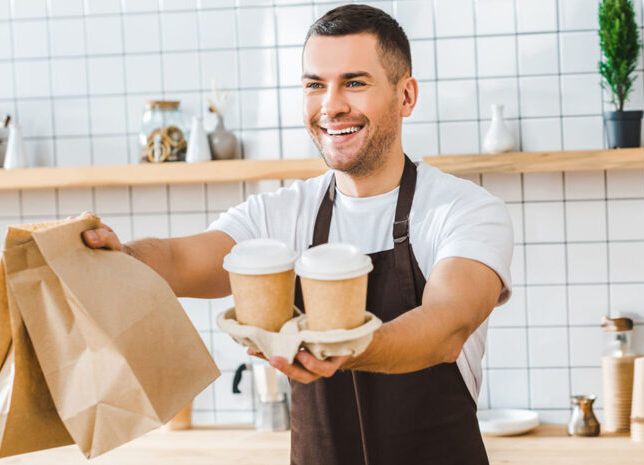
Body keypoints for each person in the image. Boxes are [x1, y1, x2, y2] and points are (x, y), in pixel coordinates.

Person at [81, 4, 513, 464]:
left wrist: (346, 348)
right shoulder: (280, 214)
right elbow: (180, 262)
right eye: (314, 85)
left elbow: (446, 325)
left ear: (406, 96)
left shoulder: (465, 210)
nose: (331, 105)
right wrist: (118, 254)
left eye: (355, 82)